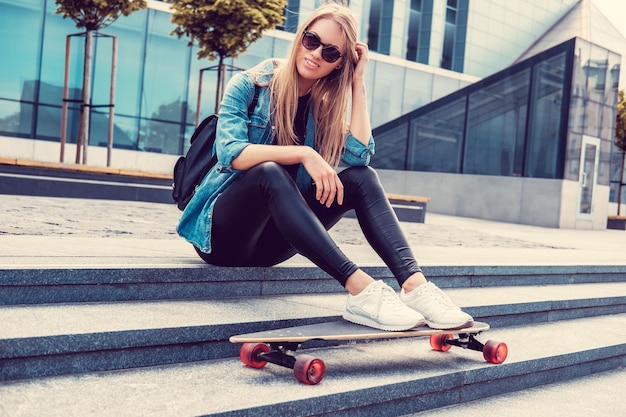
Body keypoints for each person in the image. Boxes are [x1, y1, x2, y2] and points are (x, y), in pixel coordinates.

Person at [177, 3, 473, 332]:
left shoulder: (324, 108)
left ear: (339, 64)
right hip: (221, 239)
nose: (316, 54)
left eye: (331, 52)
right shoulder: (251, 85)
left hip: (272, 245)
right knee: (269, 171)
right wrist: (303, 153)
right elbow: (231, 153)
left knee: (362, 178)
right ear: (299, 38)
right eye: (311, 40)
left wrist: (357, 84)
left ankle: (416, 286)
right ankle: (360, 289)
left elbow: (360, 158)